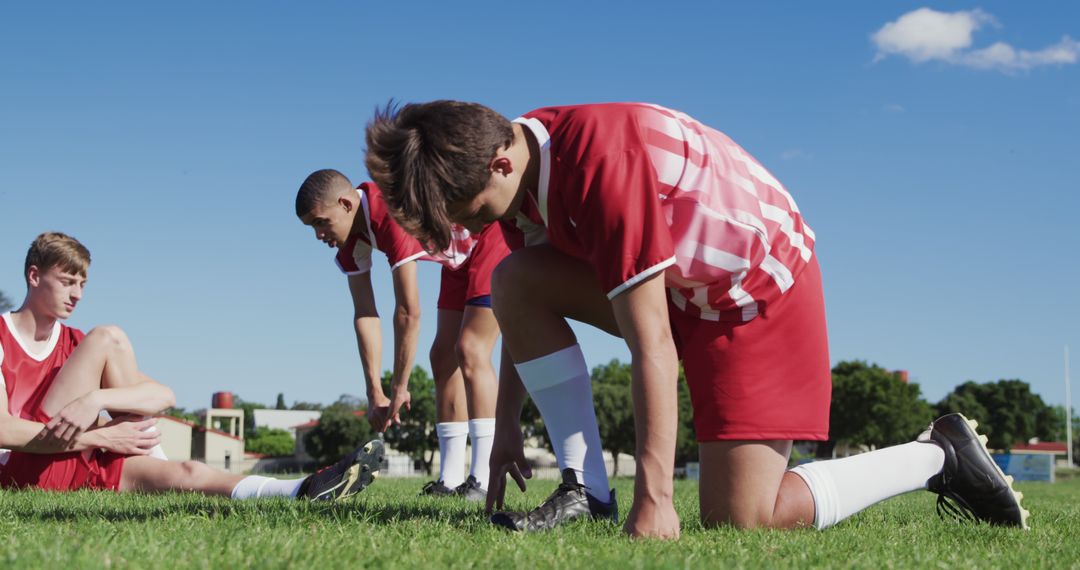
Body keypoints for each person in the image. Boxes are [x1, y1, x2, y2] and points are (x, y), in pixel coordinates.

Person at [364, 100, 1029, 538]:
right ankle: (586, 491)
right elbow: (522, 301)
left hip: (759, 296)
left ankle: (935, 455)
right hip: (686, 291)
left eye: (476, 211)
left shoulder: (602, 165)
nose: (479, 226)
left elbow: (652, 345)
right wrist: (505, 425)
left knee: (744, 519)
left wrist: (656, 497)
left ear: (501, 162)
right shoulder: (517, 159)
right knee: (513, 276)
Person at [0, 232, 383, 500]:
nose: (78, 294)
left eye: (83, 284)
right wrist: (100, 437)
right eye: (68, 282)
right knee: (109, 336)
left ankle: (301, 490)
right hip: (25, 466)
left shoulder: (75, 345)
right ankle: (139, 452)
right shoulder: (5, 336)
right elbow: (2, 429)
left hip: (74, 460)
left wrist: (96, 399)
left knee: (188, 475)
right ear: (34, 276)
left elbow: (163, 395)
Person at [296, 169, 521, 500]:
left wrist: (399, 387)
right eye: (311, 227)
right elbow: (365, 314)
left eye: (320, 222)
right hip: (457, 258)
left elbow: (408, 311)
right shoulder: (348, 240)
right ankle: (450, 479)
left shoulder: (389, 210)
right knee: (443, 358)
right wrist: (374, 391)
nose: (318, 234)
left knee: (471, 349)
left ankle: (484, 478)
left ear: (345, 204)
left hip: (490, 236)